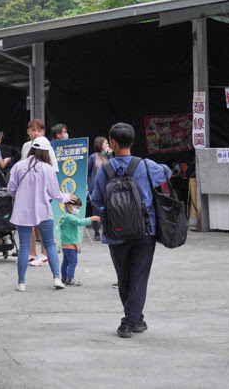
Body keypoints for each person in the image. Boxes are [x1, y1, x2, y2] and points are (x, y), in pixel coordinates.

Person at [90, 122, 171, 338]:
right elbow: (167, 173)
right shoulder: (145, 166)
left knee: (124, 278)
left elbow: (96, 199)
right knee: (139, 277)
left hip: (115, 232)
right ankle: (130, 322)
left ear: (113, 143)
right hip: (145, 230)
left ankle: (135, 319)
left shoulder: (104, 170)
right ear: (132, 141)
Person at [8, 136, 78, 292]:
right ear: (46, 153)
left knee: (25, 246)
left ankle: (21, 283)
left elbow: (11, 189)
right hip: (43, 211)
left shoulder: (18, 166)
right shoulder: (48, 169)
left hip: (22, 211)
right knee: (50, 244)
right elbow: (55, 194)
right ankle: (57, 278)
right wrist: (68, 197)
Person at [20, 119, 55, 266]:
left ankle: (45, 255)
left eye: (39, 130)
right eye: (33, 130)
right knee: (29, 223)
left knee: (43, 222)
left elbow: (54, 170)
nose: (36, 133)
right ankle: (32, 254)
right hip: (28, 192)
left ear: (43, 132)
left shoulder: (47, 146)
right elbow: (22, 168)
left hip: (44, 192)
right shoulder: (26, 146)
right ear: (28, 132)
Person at [57, 196, 99, 287]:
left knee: (65, 261)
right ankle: (70, 278)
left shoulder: (64, 216)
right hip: (71, 244)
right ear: (69, 206)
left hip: (64, 244)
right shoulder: (69, 217)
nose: (77, 210)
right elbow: (79, 222)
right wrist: (91, 219)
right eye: (76, 208)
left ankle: (64, 277)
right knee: (73, 262)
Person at [86, 136, 111, 241]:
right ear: (100, 145)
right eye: (106, 143)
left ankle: (108, 230)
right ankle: (96, 231)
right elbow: (87, 171)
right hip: (96, 187)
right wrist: (89, 186)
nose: (108, 145)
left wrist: (110, 155)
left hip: (108, 186)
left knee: (109, 208)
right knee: (96, 209)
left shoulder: (109, 157)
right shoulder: (93, 157)